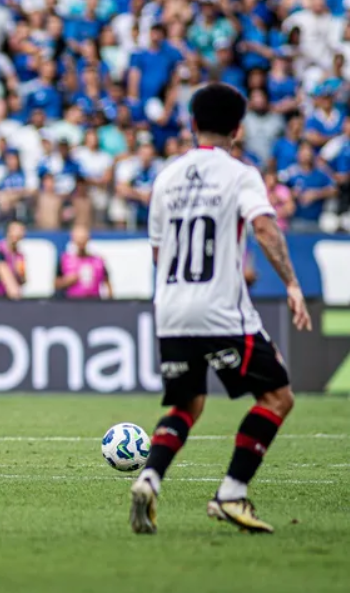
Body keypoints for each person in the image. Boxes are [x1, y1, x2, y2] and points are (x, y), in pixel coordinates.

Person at [129, 83, 313, 536]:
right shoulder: (239, 172)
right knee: (278, 396)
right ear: (238, 129)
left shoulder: (167, 177)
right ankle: (231, 491)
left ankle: (149, 478)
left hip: (171, 310)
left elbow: (159, 254)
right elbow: (266, 230)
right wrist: (291, 283)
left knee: (187, 403)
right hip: (222, 311)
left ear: (192, 125)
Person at [55, 224, 112, 299]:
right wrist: (67, 281)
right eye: (78, 238)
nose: (81, 241)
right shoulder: (64, 260)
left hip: (94, 301)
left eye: (83, 238)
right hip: (71, 302)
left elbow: (108, 284)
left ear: (88, 239)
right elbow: (56, 284)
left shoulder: (98, 261)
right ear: (73, 239)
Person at [0, 220, 27, 299]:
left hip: (11, 301)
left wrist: (20, 274)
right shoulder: (0, 254)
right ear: (8, 232)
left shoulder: (19, 256)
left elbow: (23, 280)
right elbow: (12, 289)